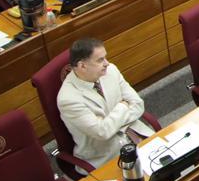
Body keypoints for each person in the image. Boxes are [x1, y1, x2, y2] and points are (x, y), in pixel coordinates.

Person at [58, 37, 153, 167]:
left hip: (136, 135)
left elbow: (138, 104)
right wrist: (122, 106)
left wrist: (109, 123)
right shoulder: (68, 99)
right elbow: (102, 133)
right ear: (82, 66)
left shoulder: (111, 70)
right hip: (107, 156)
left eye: (105, 57)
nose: (107, 63)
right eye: (100, 60)